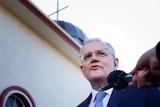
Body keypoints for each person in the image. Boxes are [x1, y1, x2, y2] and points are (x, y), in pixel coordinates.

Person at [77, 38, 160, 107]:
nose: (94, 59)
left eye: (101, 54)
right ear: (82, 70)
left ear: (115, 63)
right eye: (87, 56)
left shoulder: (145, 89)